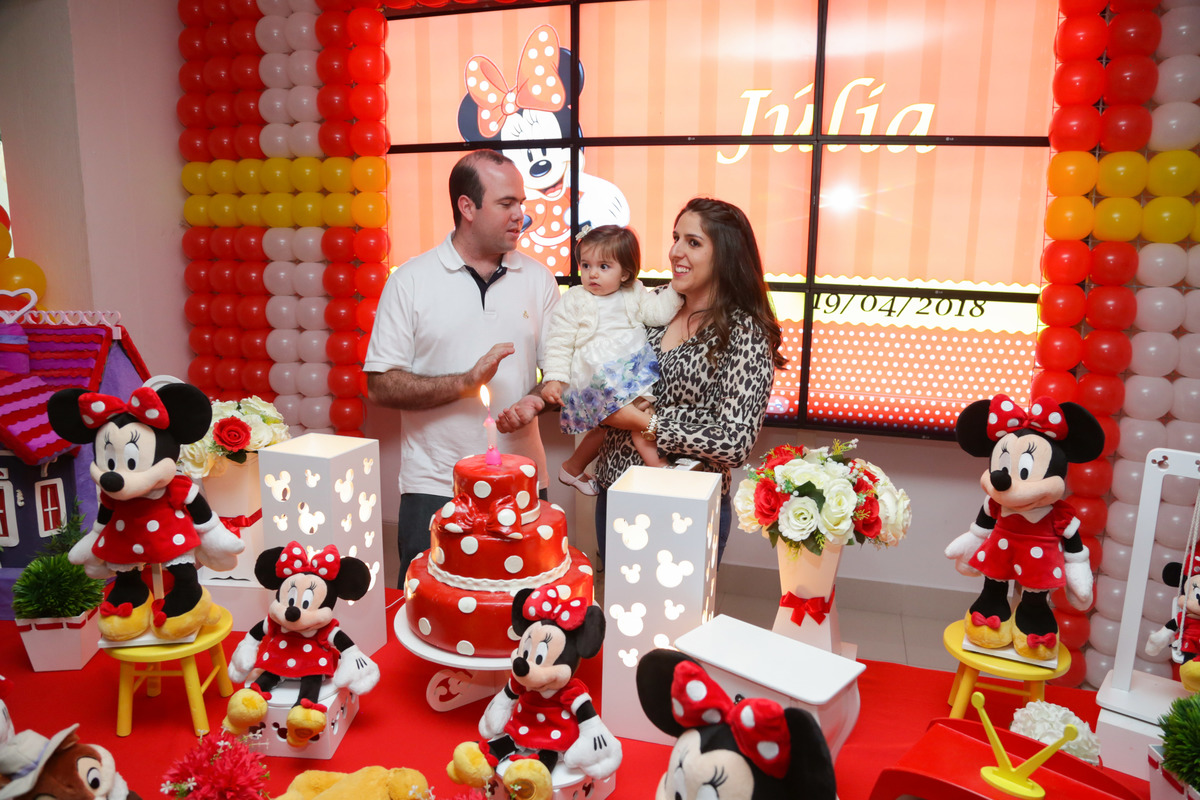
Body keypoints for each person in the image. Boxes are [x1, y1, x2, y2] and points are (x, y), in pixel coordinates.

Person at [363, 150, 559, 587]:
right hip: (435, 485)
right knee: (429, 605)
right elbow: (380, 385)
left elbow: (557, 376)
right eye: (506, 203)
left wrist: (536, 400)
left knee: (525, 608)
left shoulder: (539, 279)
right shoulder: (410, 282)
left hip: (522, 482)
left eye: (521, 202)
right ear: (467, 207)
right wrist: (465, 383)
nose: (521, 215)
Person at [590, 197, 786, 566]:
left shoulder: (744, 331)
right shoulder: (653, 307)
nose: (676, 251)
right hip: (616, 490)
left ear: (724, 255)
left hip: (685, 504)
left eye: (693, 242)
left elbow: (734, 441)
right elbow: (601, 373)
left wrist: (647, 424)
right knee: (616, 603)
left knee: (675, 607)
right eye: (676, 238)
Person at [539, 225, 682, 495]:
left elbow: (657, 314)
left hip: (628, 367)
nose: (592, 273)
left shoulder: (634, 292)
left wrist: (677, 289)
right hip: (595, 373)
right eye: (586, 265)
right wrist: (554, 379)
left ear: (625, 273)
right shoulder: (575, 299)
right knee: (638, 413)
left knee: (617, 423)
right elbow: (559, 340)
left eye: (603, 266)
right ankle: (660, 467)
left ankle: (572, 468)